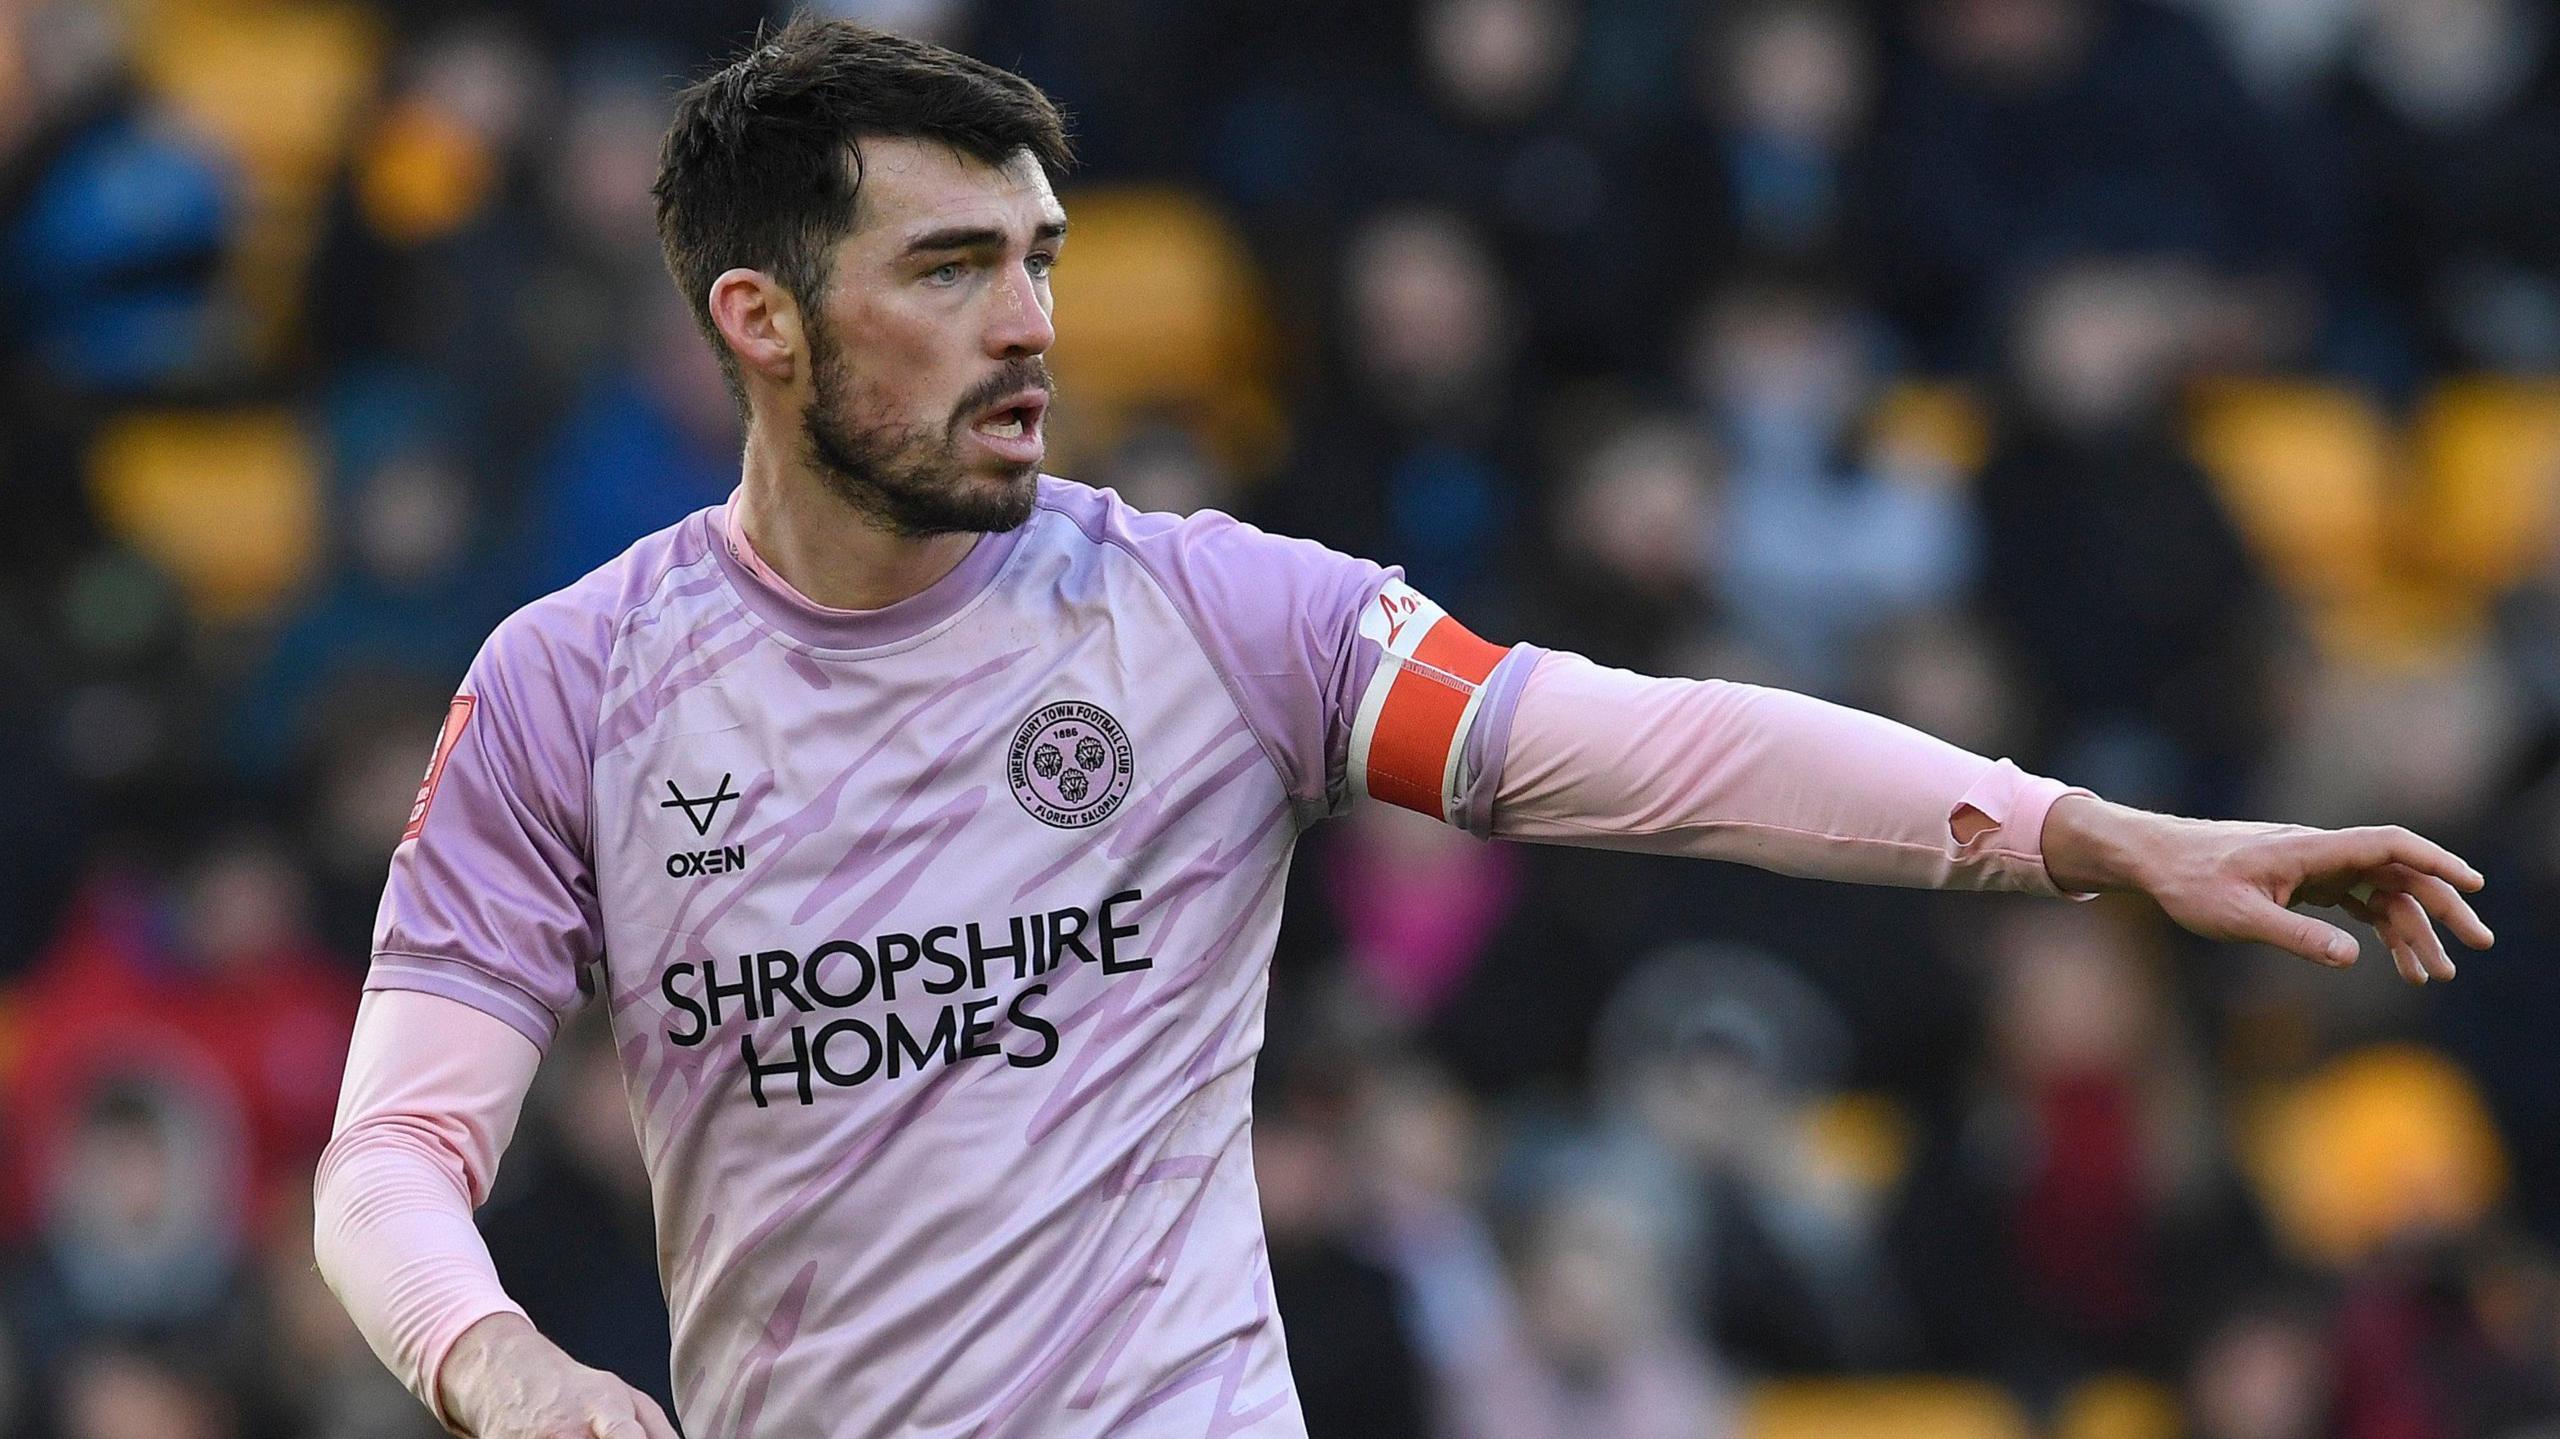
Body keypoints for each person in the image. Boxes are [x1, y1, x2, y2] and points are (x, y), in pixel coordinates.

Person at [309, 20, 2496, 1439]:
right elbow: (395, 1154)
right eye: (952, 269)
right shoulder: (571, 690)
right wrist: (493, 1360)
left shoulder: (1210, 613)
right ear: (760, 322)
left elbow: (1653, 747)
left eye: (1042, 259)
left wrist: (2087, 834)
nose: (1032, 326)